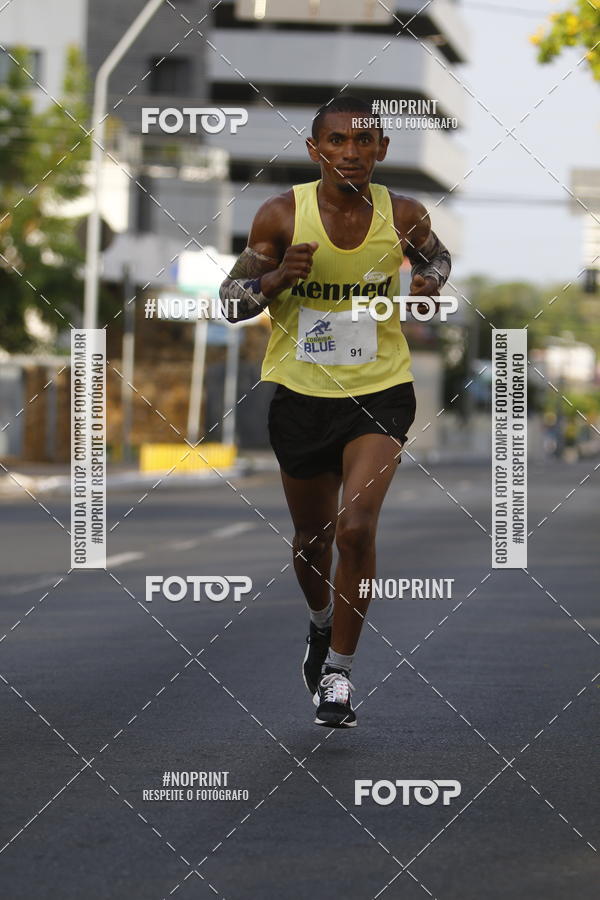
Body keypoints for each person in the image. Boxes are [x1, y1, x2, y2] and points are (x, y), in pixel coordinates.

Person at [220, 96, 451, 728]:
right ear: (315, 150)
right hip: (299, 395)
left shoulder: (403, 213)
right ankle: (320, 626)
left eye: (364, 141)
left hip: (380, 390)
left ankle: (340, 676)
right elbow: (231, 302)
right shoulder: (280, 215)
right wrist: (272, 283)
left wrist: (431, 279)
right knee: (311, 540)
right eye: (338, 141)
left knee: (356, 530)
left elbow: (436, 256)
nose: (351, 151)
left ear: (382, 150)